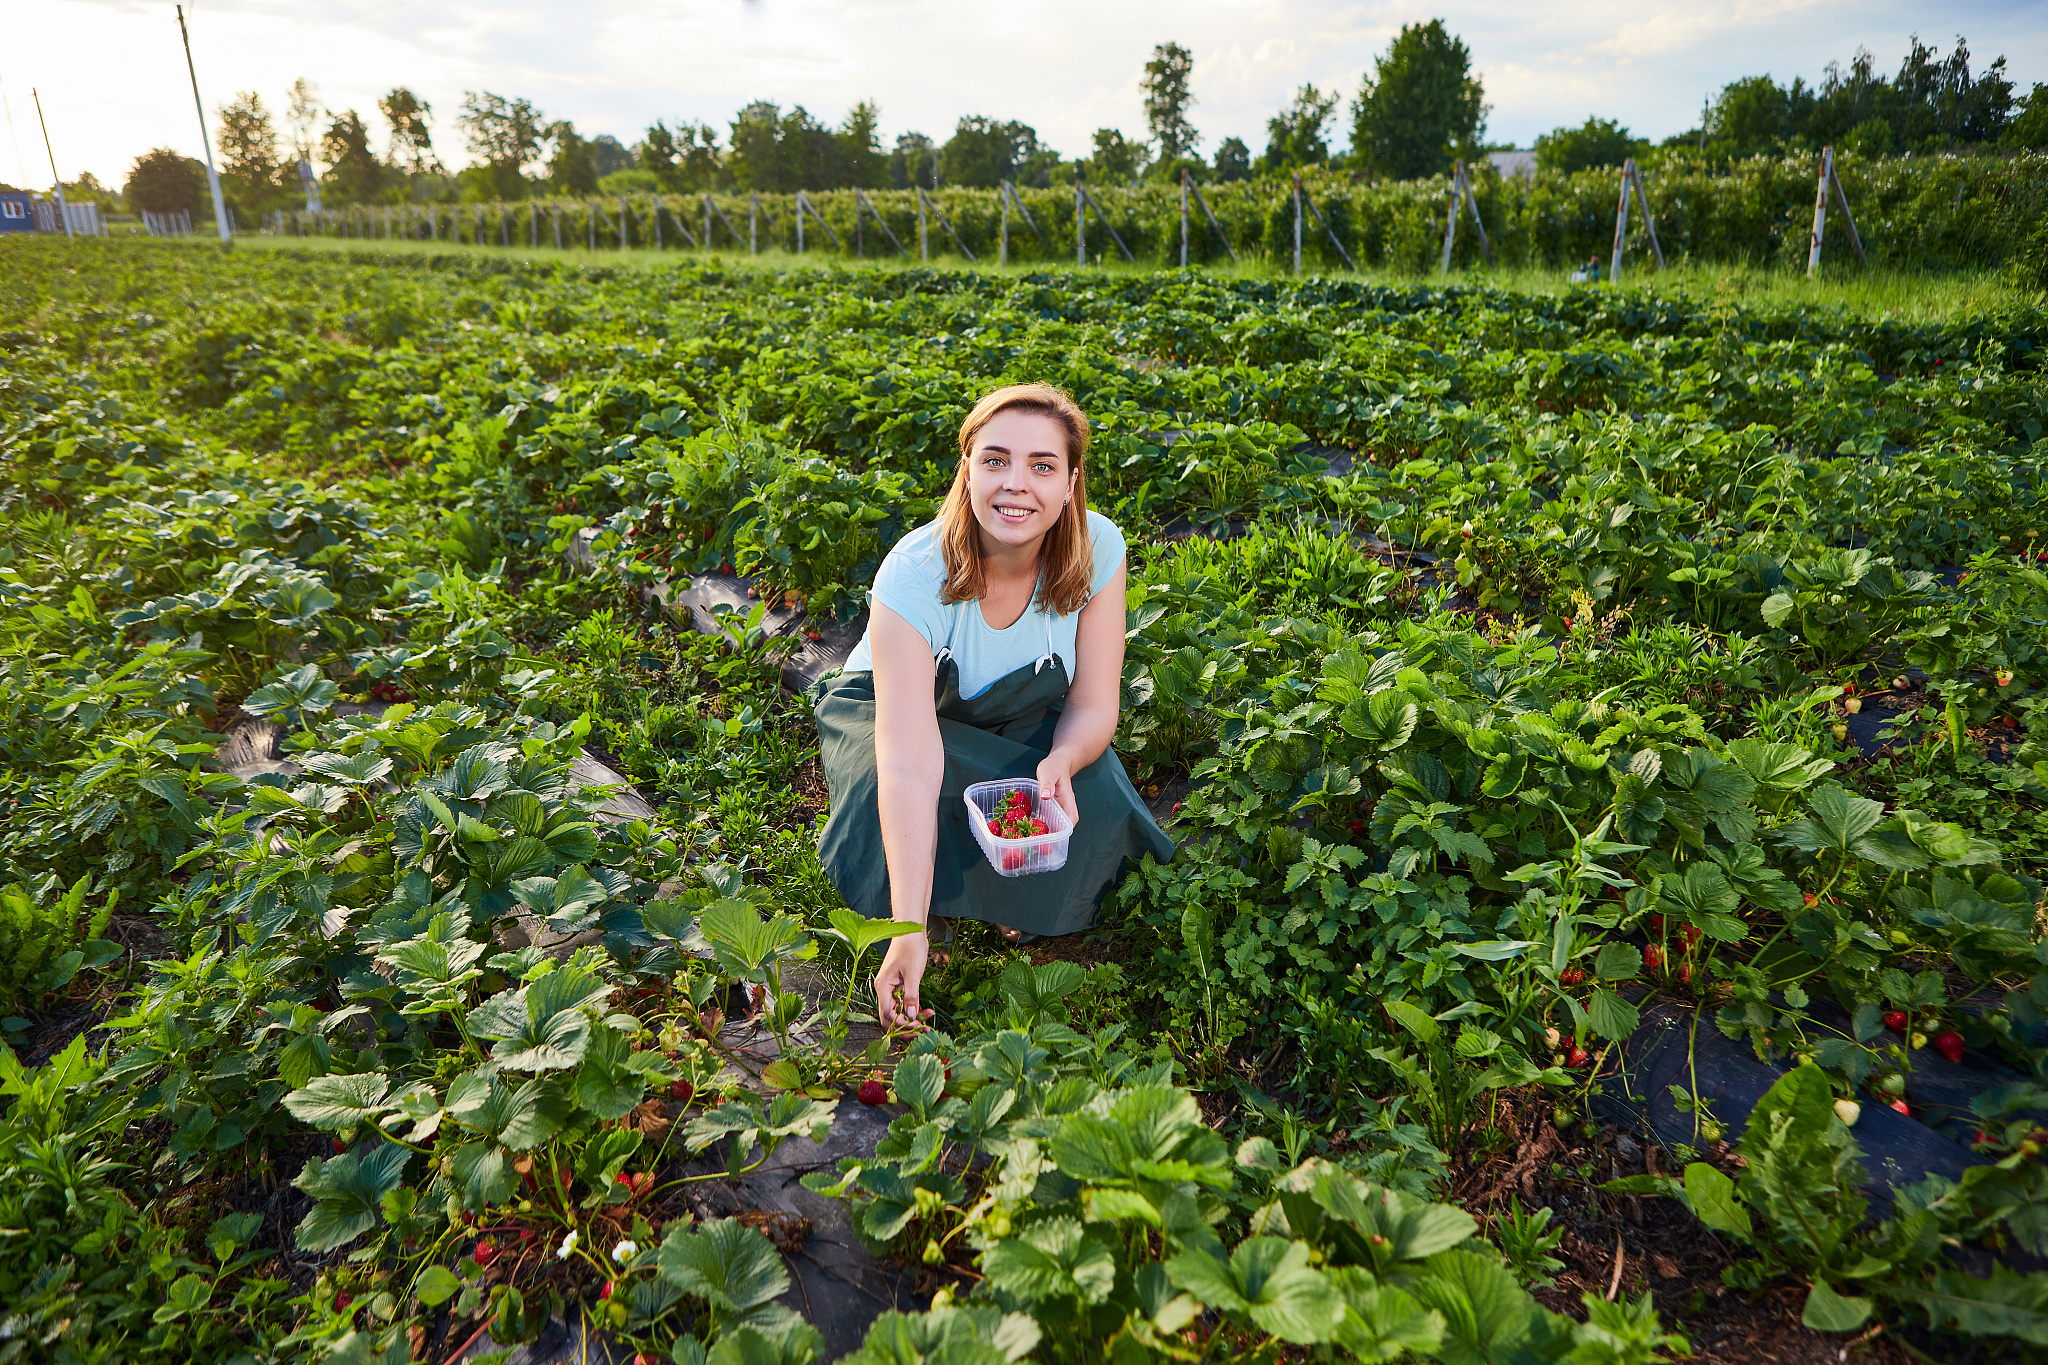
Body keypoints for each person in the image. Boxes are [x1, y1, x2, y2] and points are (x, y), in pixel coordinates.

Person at [810, 383, 1175, 1029]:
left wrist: (1064, 756)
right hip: (890, 707)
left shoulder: (1100, 549)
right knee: (879, 792)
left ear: (1070, 483)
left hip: (1017, 707)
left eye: (1042, 466)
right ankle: (935, 905)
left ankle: (986, 879)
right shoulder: (914, 572)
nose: (1016, 485)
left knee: (1095, 799)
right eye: (995, 460)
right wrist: (907, 926)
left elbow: (1092, 701)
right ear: (968, 469)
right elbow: (908, 762)